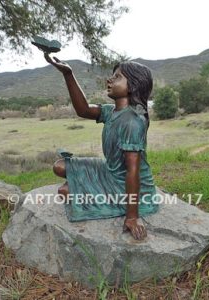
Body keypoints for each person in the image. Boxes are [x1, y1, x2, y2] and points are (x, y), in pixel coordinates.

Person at [44, 53, 159, 241]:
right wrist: (68, 74)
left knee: (65, 192)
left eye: (118, 77)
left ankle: (88, 190)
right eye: (112, 75)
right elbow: (83, 110)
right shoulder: (111, 111)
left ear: (133, 85)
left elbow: (132, 171)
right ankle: (85, 185)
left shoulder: (133, 122)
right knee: (59, 166)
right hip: (109, 171)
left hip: (125, 185)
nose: (110, 79)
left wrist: (132, 217)